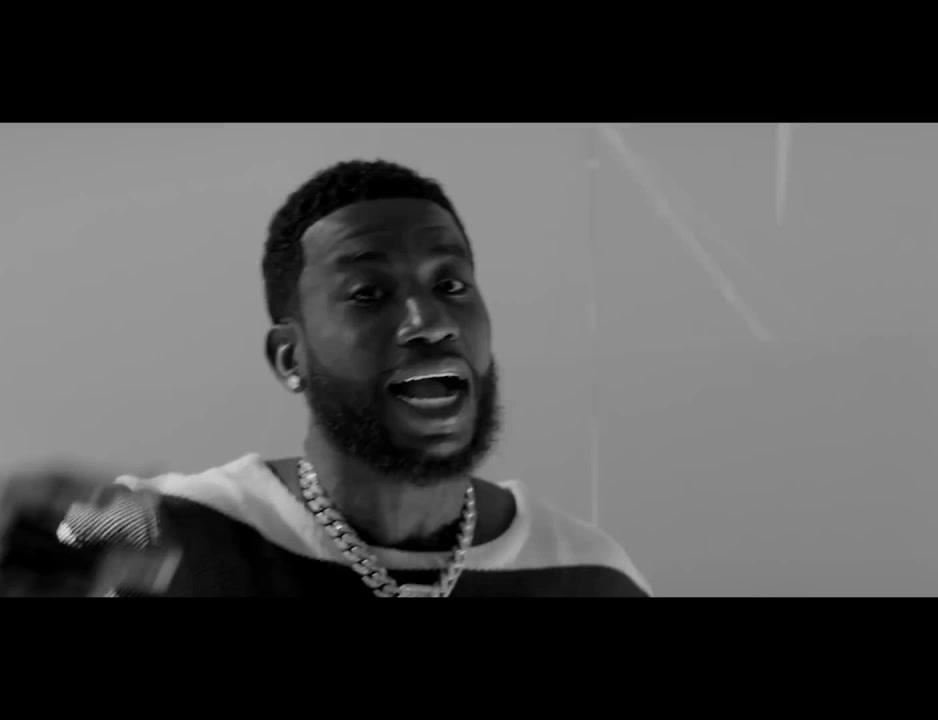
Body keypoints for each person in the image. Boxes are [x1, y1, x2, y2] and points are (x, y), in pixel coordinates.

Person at [0, 159, 651, 597]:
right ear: (290, 357)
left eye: (451, 285)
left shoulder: (588, 573)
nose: (429, 321)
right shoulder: (176, 527)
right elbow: (63, 534)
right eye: (369, 293)